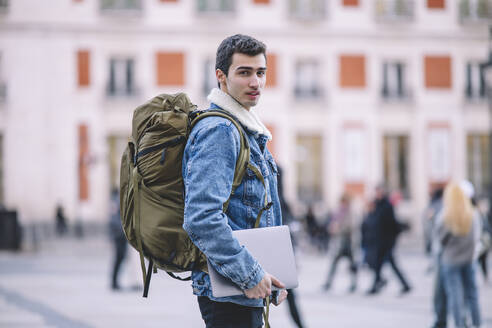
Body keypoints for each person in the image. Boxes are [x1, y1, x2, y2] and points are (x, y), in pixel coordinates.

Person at [182, 34, 287, 328]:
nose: (255, 82)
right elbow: (201, 217)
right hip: (229, 293)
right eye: (244, 72)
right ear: (221, 76)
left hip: (244, 289)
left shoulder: (246, 128)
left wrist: (274, 276)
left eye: (260, 72)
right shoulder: (220, 130)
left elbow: (253, 213)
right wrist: (251, 275)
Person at [434, 181, 482, 328]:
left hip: (450, 261)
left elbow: (439, 240)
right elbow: (476, 238)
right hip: (469, 259)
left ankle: (459, 324)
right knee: (472, 294)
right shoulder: (472, 214)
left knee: (455, 295)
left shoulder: (445, 216)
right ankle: (476, 323)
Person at [366, 185, 411, 295]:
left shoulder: (387, 206)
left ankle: (377, 286)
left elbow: (392, 224)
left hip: (387, 241)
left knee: (384, 264)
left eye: (379, 192)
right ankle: (403, 284)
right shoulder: (376, 205)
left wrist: (392, 240)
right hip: (379, 240)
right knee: (380, 264)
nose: (377, 194)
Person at [323, 193, 358, 293]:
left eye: (343, 202)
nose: (342, 204)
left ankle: (353, 284)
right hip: (340, 243)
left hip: (349, 243)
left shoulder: (351, 212)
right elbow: (333, 222)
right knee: (334, 263)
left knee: (352, 265)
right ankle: (328, 283)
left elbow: (351, 226)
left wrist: (337, 229)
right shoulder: (339, 212)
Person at [108, 188, 127, 291]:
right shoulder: (117, 201)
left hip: (119, 234)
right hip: (119, 234)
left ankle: (115, 282)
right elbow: (115, 219)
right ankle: (114, 282)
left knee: (120, 258)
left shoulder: (115, 201)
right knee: (119, 258)